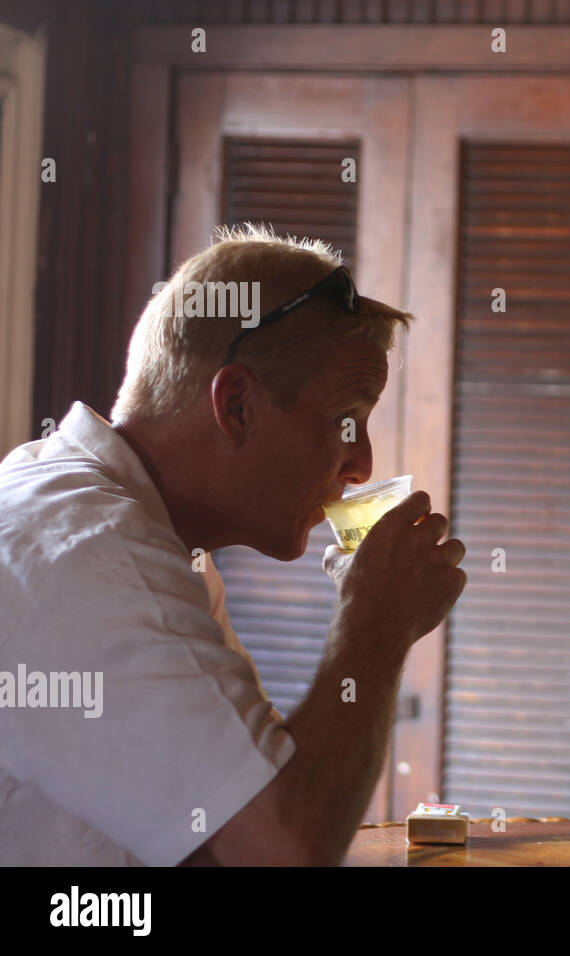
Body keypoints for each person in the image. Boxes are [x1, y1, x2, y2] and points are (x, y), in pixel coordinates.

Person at [0, 224, 466, 865]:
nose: (362, 463)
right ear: (239, 404)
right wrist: (376, 621)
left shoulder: (152, 539)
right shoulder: (93, 557)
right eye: (345, 420)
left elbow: (237, 804)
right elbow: (283, 849)